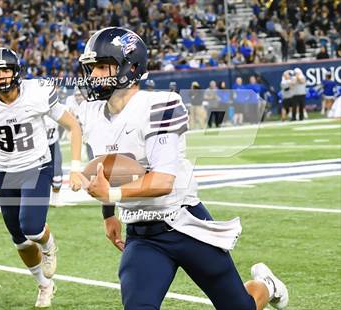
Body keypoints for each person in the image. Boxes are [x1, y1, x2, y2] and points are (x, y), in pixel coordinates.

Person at [77, 27, 289, 310]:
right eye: (92, 68)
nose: (94, 76)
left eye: (104, 67)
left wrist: (112, 197)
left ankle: (266, 285)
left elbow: (163, 181)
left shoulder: (160, 105)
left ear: (132, 67)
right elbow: (109, 167)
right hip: (142, 235)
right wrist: (108, 214)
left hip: (184, 224)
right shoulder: (91, 113)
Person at [0, 47, 83, 308]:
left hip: (36, 166)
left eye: (5, 71)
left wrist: (76, 167)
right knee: (19, 240)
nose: (0, 77)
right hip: (6, 172)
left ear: (16, 72)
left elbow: (73, 126)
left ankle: (49, 245)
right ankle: (44, 286)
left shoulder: (37, 93)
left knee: (31, 227)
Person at [43, 115, 63, 207]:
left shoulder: (54, 111)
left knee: (57, 174)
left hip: (52, 144)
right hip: (36, 148)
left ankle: (56, 197)